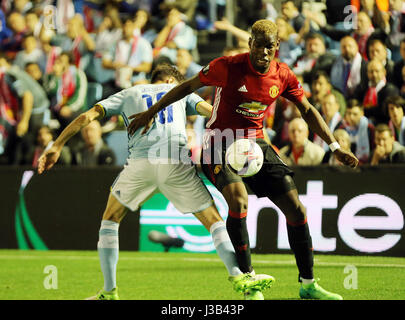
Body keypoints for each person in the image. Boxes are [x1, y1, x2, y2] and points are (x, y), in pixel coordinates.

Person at [127, 19, 359, 300]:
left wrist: (334, 145)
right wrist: (151, 112)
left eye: (269, 47)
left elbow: (307, 109)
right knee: (238, 200)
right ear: (250, 43)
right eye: (259, 45)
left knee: (296, 209)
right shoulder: (226, 66)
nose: (263, 52)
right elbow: (186, 87)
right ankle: (248, 283)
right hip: (218, 142)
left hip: (255, 143)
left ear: (277, 47)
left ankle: (308, 284)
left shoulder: (283, 75)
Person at [37, 64, 274, 300]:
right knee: (213, 222)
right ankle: (239, 277)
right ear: (172, 81)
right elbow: (211, 112)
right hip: (176, 161)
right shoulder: (183, 93)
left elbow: (86, 116)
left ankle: (109, 292)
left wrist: (56, 145)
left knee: (110, 220)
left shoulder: (129, 92)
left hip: (141, 164)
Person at [353, 59, 399, 124]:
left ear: (384, 72)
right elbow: (355, 105)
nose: (374, 74)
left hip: (383, 125)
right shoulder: (361, 88)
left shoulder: (391, 90)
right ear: (367, 73)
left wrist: (365, 110)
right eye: (371, 71)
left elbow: (384, 112)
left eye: (377, 71)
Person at [339, 99, 375, 164]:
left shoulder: (369, 128)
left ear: (362, 113)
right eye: (349, 113)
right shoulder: (342, 129)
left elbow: (373, 149)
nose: (351, 117)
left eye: (355, 114)